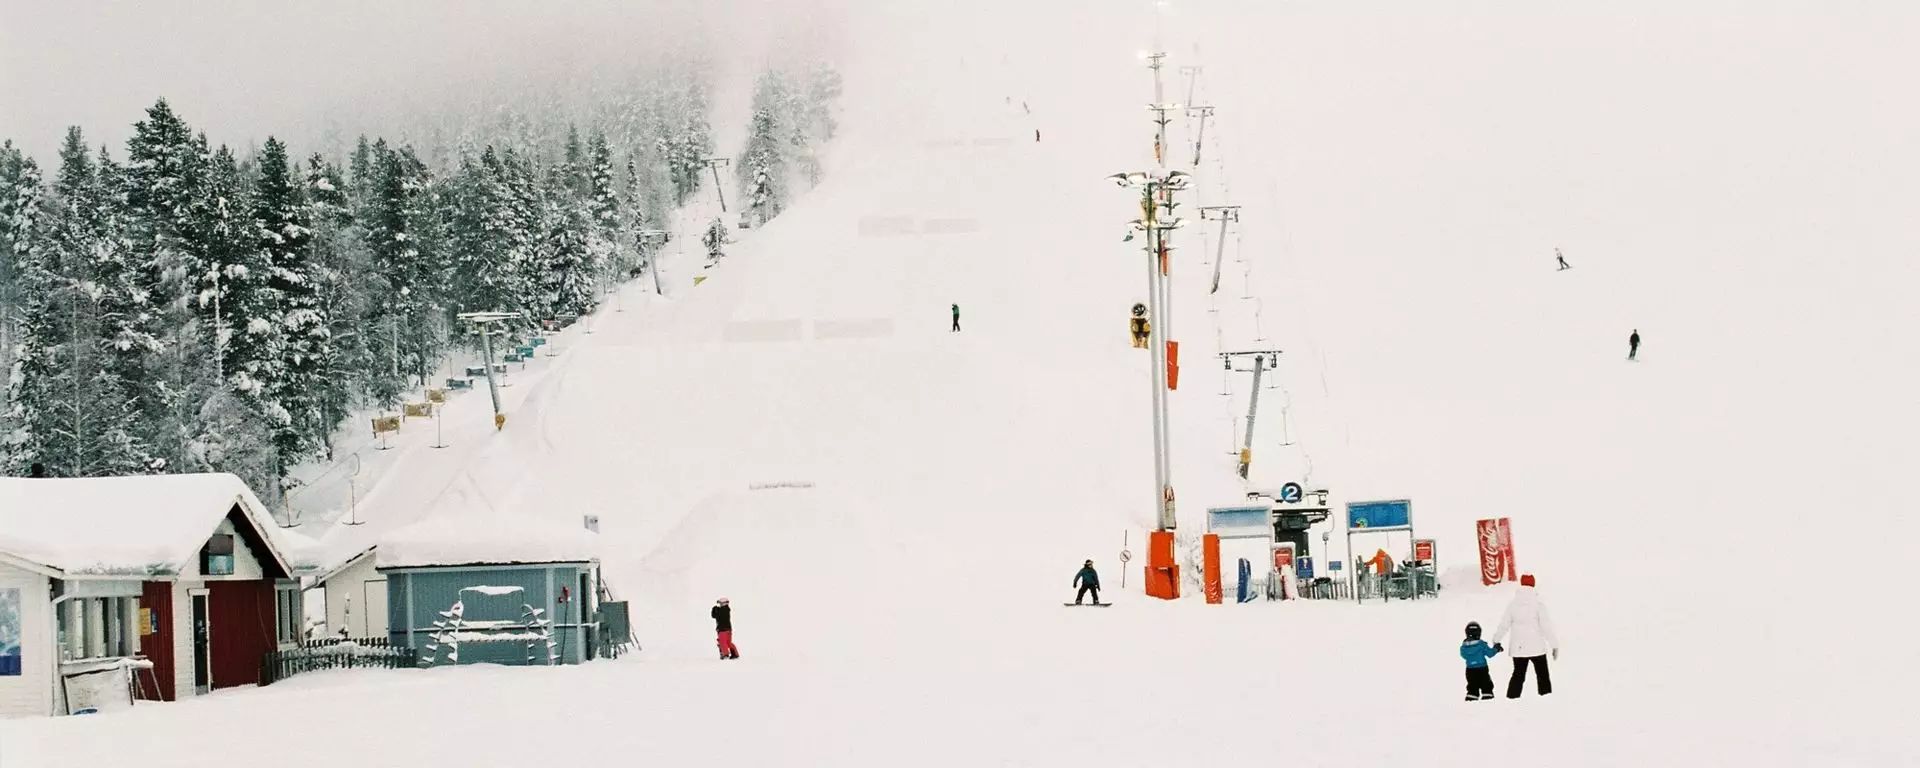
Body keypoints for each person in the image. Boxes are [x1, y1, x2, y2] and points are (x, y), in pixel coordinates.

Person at [1492, 574, 1558, 698]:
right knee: (1542, 675)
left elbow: (1504, 625)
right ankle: (1546, 699)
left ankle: (1512, 699)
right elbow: (1546, 627)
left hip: (1518, 648)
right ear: (1533, 584)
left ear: (1521, 584)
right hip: (1536, 647)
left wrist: (1496, 639)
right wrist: (1554, 645)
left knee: (1518, 675)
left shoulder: (1512, 605)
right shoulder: (1538, 605)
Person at [1459, 621, 1503, 701]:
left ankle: (1471, 697)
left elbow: (1463, 656)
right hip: (1482, 669)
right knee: (1486, 683)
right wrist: (1496, 649)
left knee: (1472, 684)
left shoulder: (1463, 647)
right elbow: (1490, 654)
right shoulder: (1481, 644)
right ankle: (1487, 696)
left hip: (1470, 670)